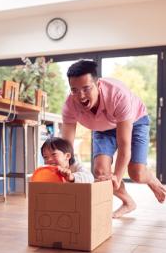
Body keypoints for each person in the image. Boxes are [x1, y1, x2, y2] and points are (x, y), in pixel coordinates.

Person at [62, 59, 166, 218]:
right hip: (103, 128)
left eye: (86, 88)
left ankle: (150, 178)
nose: (80, 96)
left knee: (136, 174)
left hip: (135, 121)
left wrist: (117, 175)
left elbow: (124, 146)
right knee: (101, 172)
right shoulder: (70, 105)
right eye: (74, 90)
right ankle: (128, 202)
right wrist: (64, 166)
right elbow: (66, 146)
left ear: (98, 84)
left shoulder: (118, 94)